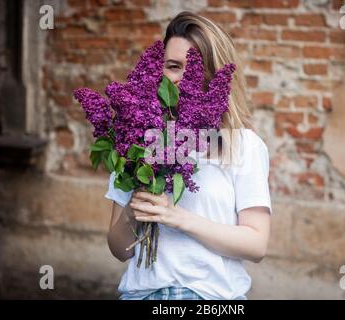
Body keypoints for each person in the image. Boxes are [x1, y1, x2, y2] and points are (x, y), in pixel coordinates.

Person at [105, 11, 272, 300]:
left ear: (214, 72)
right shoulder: (138, 138)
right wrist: (134, 211)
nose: (181, 78)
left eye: (194, 67)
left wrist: (177, 218)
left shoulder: (243, 145)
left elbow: (256, 244)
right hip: (142, 295)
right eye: (173, 66)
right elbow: (119, 250)